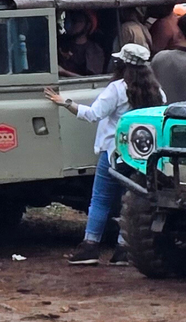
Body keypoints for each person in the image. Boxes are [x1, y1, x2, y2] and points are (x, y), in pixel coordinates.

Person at [46, 43, 164, 265]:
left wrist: (65, 102)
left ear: (122, 64)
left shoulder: (117, 89)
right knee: (128, 201)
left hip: (113, 153)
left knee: (100, 199)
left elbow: (92, 115)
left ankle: (90, 246)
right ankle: (123, 249)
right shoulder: (157, 91)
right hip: (141, 156)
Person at [57, 11, 107, 78]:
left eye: (76, 21)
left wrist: (64, 72)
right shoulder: (61, 43)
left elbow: (92, 80)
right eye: (70, 20)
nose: (71, 24)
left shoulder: (94, 50)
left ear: (88, 25)